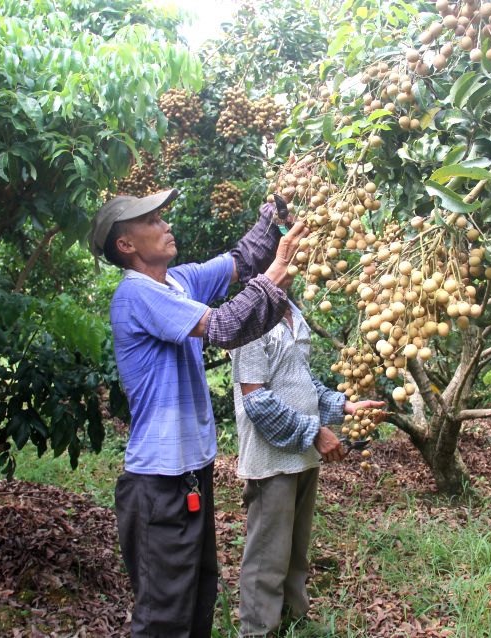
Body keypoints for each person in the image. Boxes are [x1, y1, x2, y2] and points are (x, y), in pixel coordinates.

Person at [88, 187, 309, 638]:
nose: (166, 225)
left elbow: (241, 259)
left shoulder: (177, 283)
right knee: (164, 614)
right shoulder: (136, 294)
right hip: (158, 483)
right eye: (152, 221)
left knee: (198, 597)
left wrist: (276, 207)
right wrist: (274, 277)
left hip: (191, 473)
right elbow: (225, 327)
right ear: (126, 245)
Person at [229, 299, 385, 637]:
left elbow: (302, 383)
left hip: (301, 456)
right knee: (267, 556)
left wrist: (344, 406)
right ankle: (257, 630)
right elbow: (257, 400)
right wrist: (313, 431)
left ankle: (293, 620)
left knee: (295, 549)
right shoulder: (250, 319)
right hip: (270, 462)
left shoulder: (294, 314)